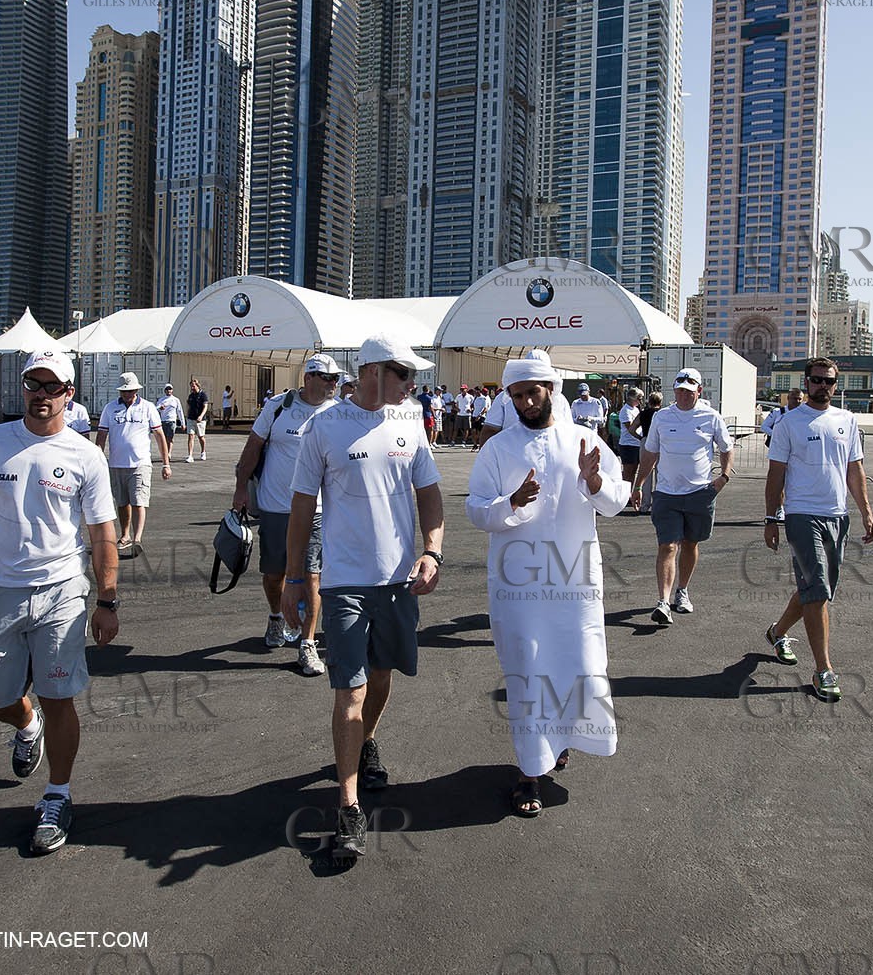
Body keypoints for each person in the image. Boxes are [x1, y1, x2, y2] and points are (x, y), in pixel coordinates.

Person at [0, 349, 119, 854]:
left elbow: (102, 532)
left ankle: (58, 793)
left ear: (70, 394)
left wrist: (107, 599)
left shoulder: (85, 455)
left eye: (52, 387)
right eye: (33, 385)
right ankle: (26, 725)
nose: (41, 395)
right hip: (3, 590)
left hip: (63, 589)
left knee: (59, 694)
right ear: (23, 388)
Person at [282, 335, 443, 858]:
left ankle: (364, 741)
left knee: (380, 678)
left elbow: (430, 494)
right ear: (374, 371)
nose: (412, 383)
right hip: (345, 584)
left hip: (398, 583)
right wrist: (291, 578)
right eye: (404, 374)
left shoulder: (410, 419)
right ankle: (348, 808)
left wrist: (432, 551)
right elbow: (303, 507)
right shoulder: (325, 427)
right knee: (348, 691)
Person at [466, 354, 628, 817]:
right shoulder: (497, 449)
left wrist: (595, 482)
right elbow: (476, 510)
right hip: (519, 584)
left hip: (574, 578)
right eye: (516, 395)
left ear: (551, 390)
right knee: (529, 669)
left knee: (579, 663)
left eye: (532, 392)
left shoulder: (584, 438)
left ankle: (563, 741)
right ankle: (529, 770)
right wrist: (509, 502)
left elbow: (617, 499)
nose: (525, 402)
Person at [763, 358, 873, 701]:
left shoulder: (847, 420)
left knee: (819, 590)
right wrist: (772, 518)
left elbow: (855, 471)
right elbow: (776, 475)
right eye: (816, 380)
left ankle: (777, 632)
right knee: (816, 590)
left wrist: (866, 514)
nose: (822, 386)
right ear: (807, 382)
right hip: (801, 515)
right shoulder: (789, 423)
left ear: (835, 385)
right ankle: (823, 670)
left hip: (837, 516)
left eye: (828, 382)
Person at [231, 353, 341, 676]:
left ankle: (307, 644)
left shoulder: (337, 414)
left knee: (312, 576)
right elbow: (252, 449)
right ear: (308, 378)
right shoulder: (278, 407)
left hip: (317, 510)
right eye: (328, 378)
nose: (334, 384)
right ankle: (277, 616)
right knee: (274, 574)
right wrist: (240, 489)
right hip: (275, 507)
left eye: (336, 379)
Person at [632, 369, 733, 625]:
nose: (684, 395)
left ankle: (682, 591)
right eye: (679, 390)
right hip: (666, 494)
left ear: (699, 391)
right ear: (674, 391)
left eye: (689, 391)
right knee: (667, 546)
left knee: (690, 544)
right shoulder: (662, 417)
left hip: (700, 493)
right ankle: (663, 602)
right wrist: (639, 484)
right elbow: (650, 454)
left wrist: (723, 477)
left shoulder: (711, 416)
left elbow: (726, 447)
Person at [96, 371, 172, 558]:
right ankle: (125, 535)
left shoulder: (147, 408)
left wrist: (165, 463)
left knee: (139, 501)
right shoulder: (110, 408)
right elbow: (102, 435)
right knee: (122, 502)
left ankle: (137, 539)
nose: (127, 394)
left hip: (140, 463)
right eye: (124, 391)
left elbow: (159, 435)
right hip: (116, 464)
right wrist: (96, 461)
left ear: (137, 390)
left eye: (130, 391)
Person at [478, 353, 572, 447]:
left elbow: (568, 433)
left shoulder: (561, 400)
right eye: (518, 397)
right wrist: (488, 458)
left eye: (534, 392)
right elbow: (490, 430)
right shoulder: (504, 398)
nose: (528, 403)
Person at [632, 391, 665, 514]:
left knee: (645, 473)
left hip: (646, 441)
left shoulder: (643, 414)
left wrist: (640, 438)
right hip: (661, 442)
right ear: (660, 402)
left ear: (649, 401)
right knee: (660, 474)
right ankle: (659, 504)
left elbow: (631, 429)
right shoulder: (662, 415)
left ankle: (644, 504)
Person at [617, 389, 645, 503]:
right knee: (628, 472)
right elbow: (630, 429)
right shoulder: (625, 411)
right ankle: (623, 495)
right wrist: (640, 438)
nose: (640, 401)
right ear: (632, 398)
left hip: (635, 444)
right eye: (639, 398)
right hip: (628, 444)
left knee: (634, 470)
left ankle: (629, 494)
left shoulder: (635, 409)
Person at [184, 379, 210, 462]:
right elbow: (188, 405)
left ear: (197, 386)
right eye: (191, 386)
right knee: (190, 436)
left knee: (201, 437)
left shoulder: (203, 395)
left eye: (193, 386)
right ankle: (190, 455)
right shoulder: (191, 396)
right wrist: (186, 415)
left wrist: (201, 416)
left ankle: (203, 452)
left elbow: (205, 406)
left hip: (200, 420)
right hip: (191, 418)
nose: (192, 387)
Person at [156, 383, 186, 448]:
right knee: (164, 438)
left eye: (170, 389)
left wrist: (183, 423)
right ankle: (166, 452)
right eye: (167, 389)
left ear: (172, 390)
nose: (168, 390)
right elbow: (156, 409)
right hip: (163, 421)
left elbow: (180, 412)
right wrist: (160, 408)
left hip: (172, 421)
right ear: (164, 391)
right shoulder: (161, 400)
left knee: (170, 438)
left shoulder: (176, 400)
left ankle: (169, 453)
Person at [469, 384, 492, 449]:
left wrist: (479, 415)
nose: (475, 392)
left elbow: (485, 408)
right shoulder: (475, 398)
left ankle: (480, 444)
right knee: (473, 431)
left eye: (476, 391)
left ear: (479, 391)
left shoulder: (483, 398)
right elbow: (473, 406)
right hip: (474, 416)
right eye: (475, 391)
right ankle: (475, 444)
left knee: (479, 432)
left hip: (481, 417)